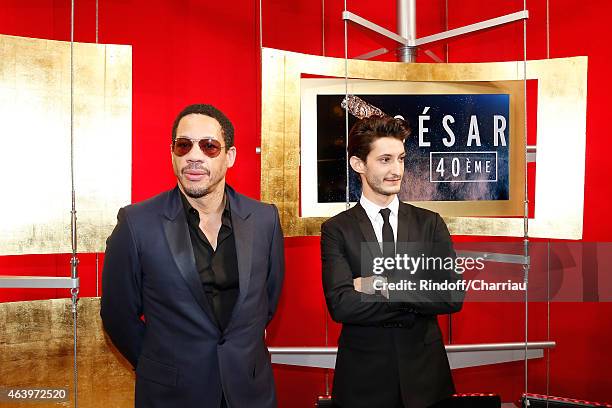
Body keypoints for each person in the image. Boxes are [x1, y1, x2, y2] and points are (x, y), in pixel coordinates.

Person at [101, 104, 284, 408]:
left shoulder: (264, 219)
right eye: (183, 145)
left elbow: (268, 300)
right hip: (172, 394)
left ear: (230, 156)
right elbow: (117, 315)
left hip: (250, 391)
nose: (194, 156)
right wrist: (158, 365)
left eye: (209, 146)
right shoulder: (137, 224)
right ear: (172, 153)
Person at [321, 115, 464, 408]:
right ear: (359, 164)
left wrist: (375, 285)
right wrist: (416, 295)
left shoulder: (430, 224)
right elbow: (341, 304)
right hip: (363, 380)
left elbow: (451, 296)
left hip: (426, 377)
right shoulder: (337, 229)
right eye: (385, 159)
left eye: (400, 158)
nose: (396, 169)